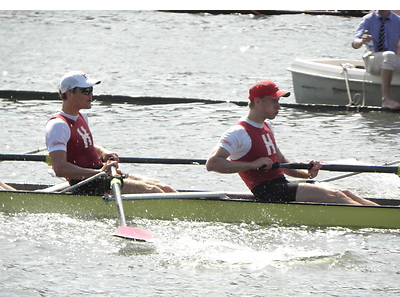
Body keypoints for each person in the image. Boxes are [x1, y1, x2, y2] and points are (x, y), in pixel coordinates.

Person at [206, 80, 378, 206]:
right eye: (274, 101)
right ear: (257, 101)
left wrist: (307, 172)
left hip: (281, 184)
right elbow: (212, 164)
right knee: (336, 196)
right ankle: (378, 220)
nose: (278, 106)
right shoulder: (238, 132)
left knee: (344, 192)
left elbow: (283, 165)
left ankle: (384, 213)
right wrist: (253, 164)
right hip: (268, 191)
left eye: (278, 101)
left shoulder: (267, 126)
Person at [45, 71, 176, 195]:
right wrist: (98, 173)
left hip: (101, 175)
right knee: (153, 191)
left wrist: (103, 152)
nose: (90, 95)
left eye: (91, 90)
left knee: (165, 188)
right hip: (86, 183)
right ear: (69, 93)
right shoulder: (58, 125)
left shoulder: (82, 116)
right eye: (85, 91)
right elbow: (60, 168)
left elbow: (84, 141)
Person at [352, 10, 400, 109]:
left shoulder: (397, 20)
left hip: (392, 59)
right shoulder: (368, 19)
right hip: (372, 58)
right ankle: (385, 99)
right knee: (389, 55)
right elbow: (355, 44)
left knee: (390, 56)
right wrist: (362, 40)